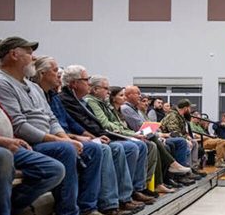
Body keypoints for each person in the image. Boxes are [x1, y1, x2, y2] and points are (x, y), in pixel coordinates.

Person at [0, 39, 103, 215]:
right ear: (13, 55)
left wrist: (65, 137)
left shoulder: (34, 87)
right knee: (64, 150)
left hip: (45, 139)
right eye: (29, 52)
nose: (34, 57)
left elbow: (52, 119)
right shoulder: (2, 82)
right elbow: (19, 125)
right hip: (28, 142)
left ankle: (88, 207)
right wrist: (61, 141)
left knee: (93, 148)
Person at [34, 58, 146, 215]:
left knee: (133, 145)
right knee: (108, 148)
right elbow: (67, 123)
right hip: (55, 139)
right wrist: (78, 137)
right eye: (86, 80)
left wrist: (87, 135)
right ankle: (106, 204)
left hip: (71, 136)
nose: (89, 83)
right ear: (74, 83)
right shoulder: (64, 98)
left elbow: (70, 122)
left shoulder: (62, 98)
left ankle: (129, 194)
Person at [61, 69, 156, 206]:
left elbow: (110, 124)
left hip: (99, 135)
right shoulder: (88, 101)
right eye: (106, 89)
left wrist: (128, 134)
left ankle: (136, 189)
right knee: (126, 147)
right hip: (96, 136)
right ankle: (115, 199)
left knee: (147, 143)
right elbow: (102, 124)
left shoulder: (90, 102)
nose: (109, 92)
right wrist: (95, 135)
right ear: (95, 89)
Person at [0, 82, 66, 215]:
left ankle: (7, 209)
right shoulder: (4, 84)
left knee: (53, 169)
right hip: (4, 146)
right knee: (3, 157)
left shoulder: (33, 88)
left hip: (11, 142)